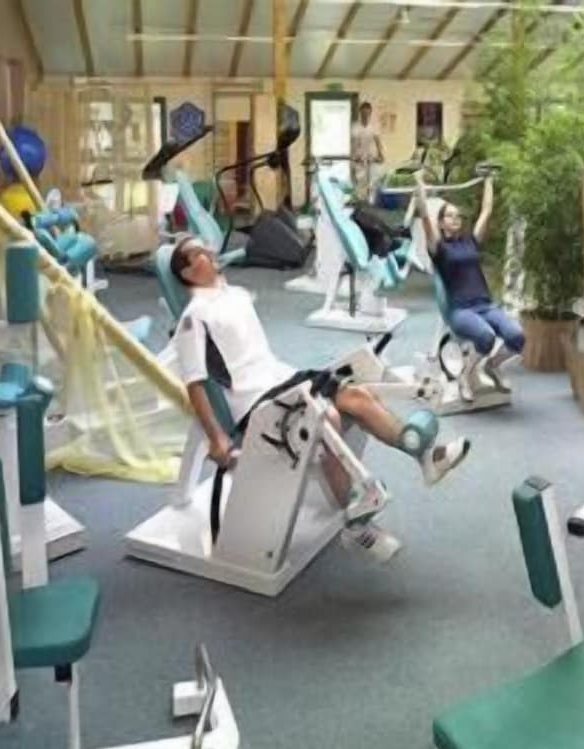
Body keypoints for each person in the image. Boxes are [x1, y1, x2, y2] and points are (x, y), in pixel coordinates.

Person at [170, 235, 470, 560]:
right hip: (255, 403)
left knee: (356, 394)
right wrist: (217, 438)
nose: (208, 251)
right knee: (326, 419)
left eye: (206, 247)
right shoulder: (194, 317)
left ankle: (425, 456)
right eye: (198, 253)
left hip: (282, 379)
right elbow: (194, 383)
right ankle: (355, 524)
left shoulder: (234, 295)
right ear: (187, 273)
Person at [414, 169, 525, 402]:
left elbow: (487, 211)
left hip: (485, 305)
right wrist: (419, 182)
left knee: (517, 336)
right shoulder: (438, 248)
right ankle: (464, 376)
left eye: (458, 216)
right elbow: (424, 215)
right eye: (449, 216)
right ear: (441, 222)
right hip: (461, 310)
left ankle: (492, 366)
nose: (455, 219)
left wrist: (488, 180)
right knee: (486, 337)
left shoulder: (471, 241)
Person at [351, 101, 385, 202]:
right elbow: (353, 144)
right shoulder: (355, 127)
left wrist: (381, 155)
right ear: (360, 113)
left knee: (373, 182)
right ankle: (361, 202)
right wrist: (355, 157)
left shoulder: (374, 127)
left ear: (370, 113)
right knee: (361, 182)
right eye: (363, 113)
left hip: (372, 157)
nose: (365, 115)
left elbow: (378, 142)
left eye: (367, 113)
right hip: (360, 158)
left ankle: (371, 203)